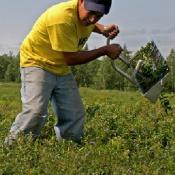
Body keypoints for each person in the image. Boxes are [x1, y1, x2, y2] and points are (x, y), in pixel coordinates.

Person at [5, 0, 122, 144]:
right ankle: (15, 147)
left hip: (59, 66)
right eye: (91, 12)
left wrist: (102, 29)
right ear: (81, 2)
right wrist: (104, 50)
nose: (93, 19)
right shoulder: (61, 18)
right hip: (37, 62)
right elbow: (71, 59)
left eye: (98, 16)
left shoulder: (86, 17)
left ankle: (70, 147)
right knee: (35, 111)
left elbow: (89, 23)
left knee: (74, 112)